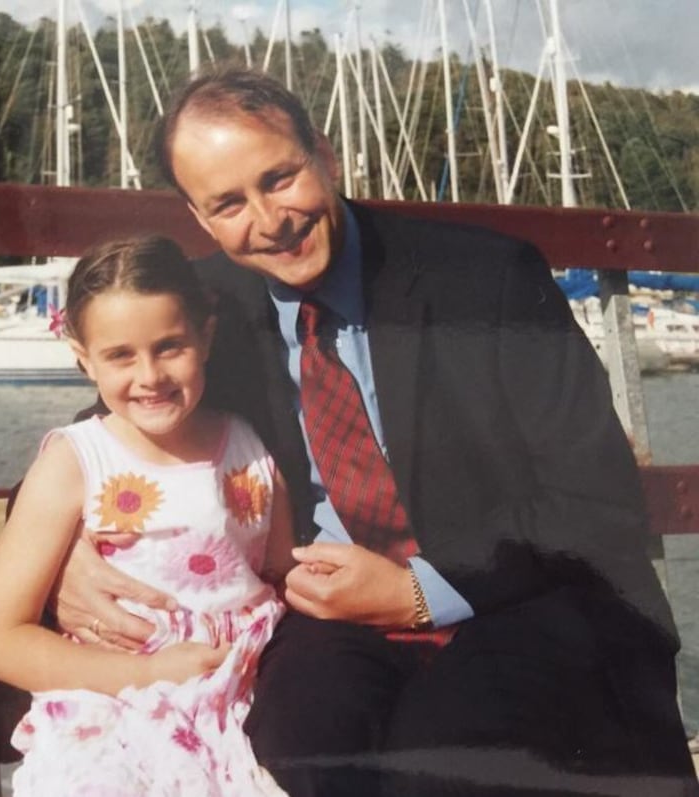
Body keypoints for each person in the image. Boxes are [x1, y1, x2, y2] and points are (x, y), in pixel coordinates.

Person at [52, 69, 699, 796]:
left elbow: (596, 496)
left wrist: (420, 591)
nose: (268, 220)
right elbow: (106, 431)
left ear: (325, 156)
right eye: (229, 204)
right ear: (201, 220)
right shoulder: (209, 311)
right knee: (294, 749)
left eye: (280, 177)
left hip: (527, 595)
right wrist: (62, 548)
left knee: (441, 758)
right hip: (331, 617)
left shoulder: (486, 279)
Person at [0, 236, 293, 796]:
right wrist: (145, 675)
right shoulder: (73, 462)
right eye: (120, 355)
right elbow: (1, 641)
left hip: (239, 686)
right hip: (115, 699)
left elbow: (277, 578)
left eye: (170, 346)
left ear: (207, 335)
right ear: (82, 357)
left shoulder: (250, 448)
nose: (149, 375)